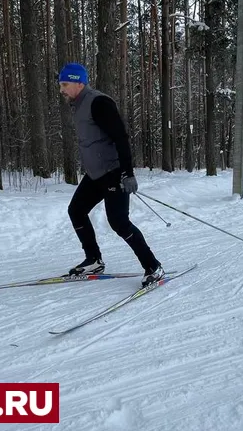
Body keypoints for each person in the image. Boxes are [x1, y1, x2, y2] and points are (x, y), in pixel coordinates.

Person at [57, 62, 165, 288]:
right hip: (96, 174)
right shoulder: (79, 104)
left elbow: (121, 137)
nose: (62, 90)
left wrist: (127, 173)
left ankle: (153, 266)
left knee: (118, 222)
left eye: (64, 84)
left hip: (114, 171)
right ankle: (94, 260)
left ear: (78, 82)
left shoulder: (99, 102)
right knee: (76, 210)